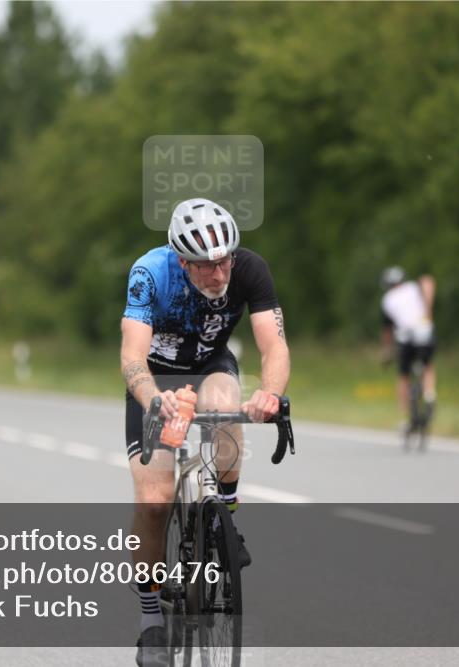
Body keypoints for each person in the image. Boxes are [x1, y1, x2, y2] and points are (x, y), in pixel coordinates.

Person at [121, 198, 290, 665]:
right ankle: (151, 619)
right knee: (154, 500)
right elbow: (132, 356)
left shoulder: (251, 269)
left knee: (226, 409)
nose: (218, 275)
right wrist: (154, 398)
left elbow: (273, 345)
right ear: (181, 260)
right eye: (205, 266)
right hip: (157, 379)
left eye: (223, 262)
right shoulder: (149, 272)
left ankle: (225, 517)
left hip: (211, 365)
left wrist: (270, 394)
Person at [379, 266, 437, 431]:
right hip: (424, 331)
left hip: (405, 338)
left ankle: (406, 417)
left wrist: (386, 352)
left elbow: (387, 331)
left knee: (403, 377)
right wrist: (428, 308)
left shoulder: (387, 299)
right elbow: (428, 280)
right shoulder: (413, 287)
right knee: (427, 366)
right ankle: (429, 395)